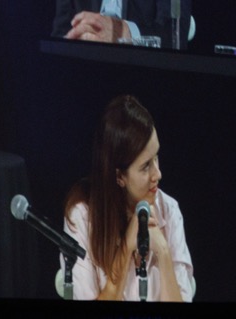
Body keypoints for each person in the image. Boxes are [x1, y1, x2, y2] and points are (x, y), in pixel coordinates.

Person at [61, 94, 195, 302]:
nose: (157, 174)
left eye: (156, 157)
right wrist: (126, 249)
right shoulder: (82, 216)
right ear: (119, 176)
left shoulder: (169, 210)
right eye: (145, 166)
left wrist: (163, 252)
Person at [54, 0, 191, 50]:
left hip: (145, 74)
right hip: (83, 69)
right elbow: (59, 34)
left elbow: (175, 36)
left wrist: (125, 33)